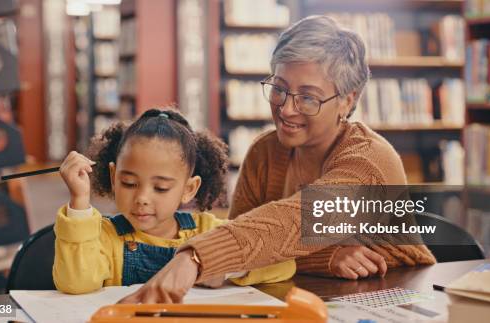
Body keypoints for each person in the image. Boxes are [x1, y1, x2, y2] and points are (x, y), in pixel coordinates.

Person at [120, 15, 435, 304]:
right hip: (304, 297)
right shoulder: (265, 152)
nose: (286, 109)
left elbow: (295, 221)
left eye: (308, 97)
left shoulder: (369, 162)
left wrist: (195, 258)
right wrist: (327, 258)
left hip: (396, 296)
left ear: (347, 100)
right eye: (279, 89)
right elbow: (248, 246)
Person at [52, 108, 295, 294]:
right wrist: (79, 202)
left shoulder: (207, 231)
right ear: (114, 177)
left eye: (161, 188)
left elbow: (283, 263)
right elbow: (76, 283)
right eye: (129, 183)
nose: (142, 198)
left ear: (189, 189)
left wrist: (226, 264)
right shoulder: (103, 235)